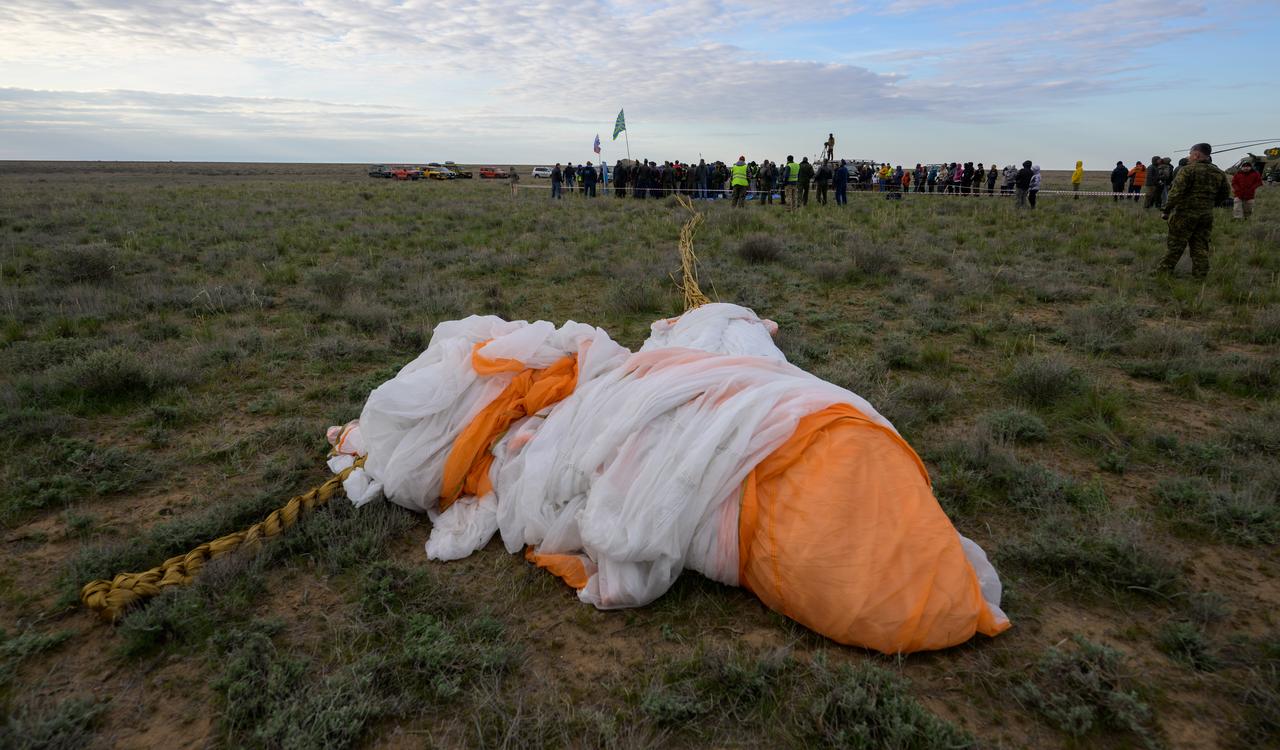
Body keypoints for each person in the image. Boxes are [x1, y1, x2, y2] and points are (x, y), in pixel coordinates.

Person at [1158, 143, 1230, 278]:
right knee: (1200, 246)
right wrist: (1209, 204)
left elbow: (1175, 193)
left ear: (1196, 155)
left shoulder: (1188, 170)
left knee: (1176, 245)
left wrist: (1166, 210)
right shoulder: (1219, 173)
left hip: (1184, 215)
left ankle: (1164, 272)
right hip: (1206, 216)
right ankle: (1200, 275)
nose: (1188, 157)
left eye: (1190, 154)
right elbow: (1225, 194)